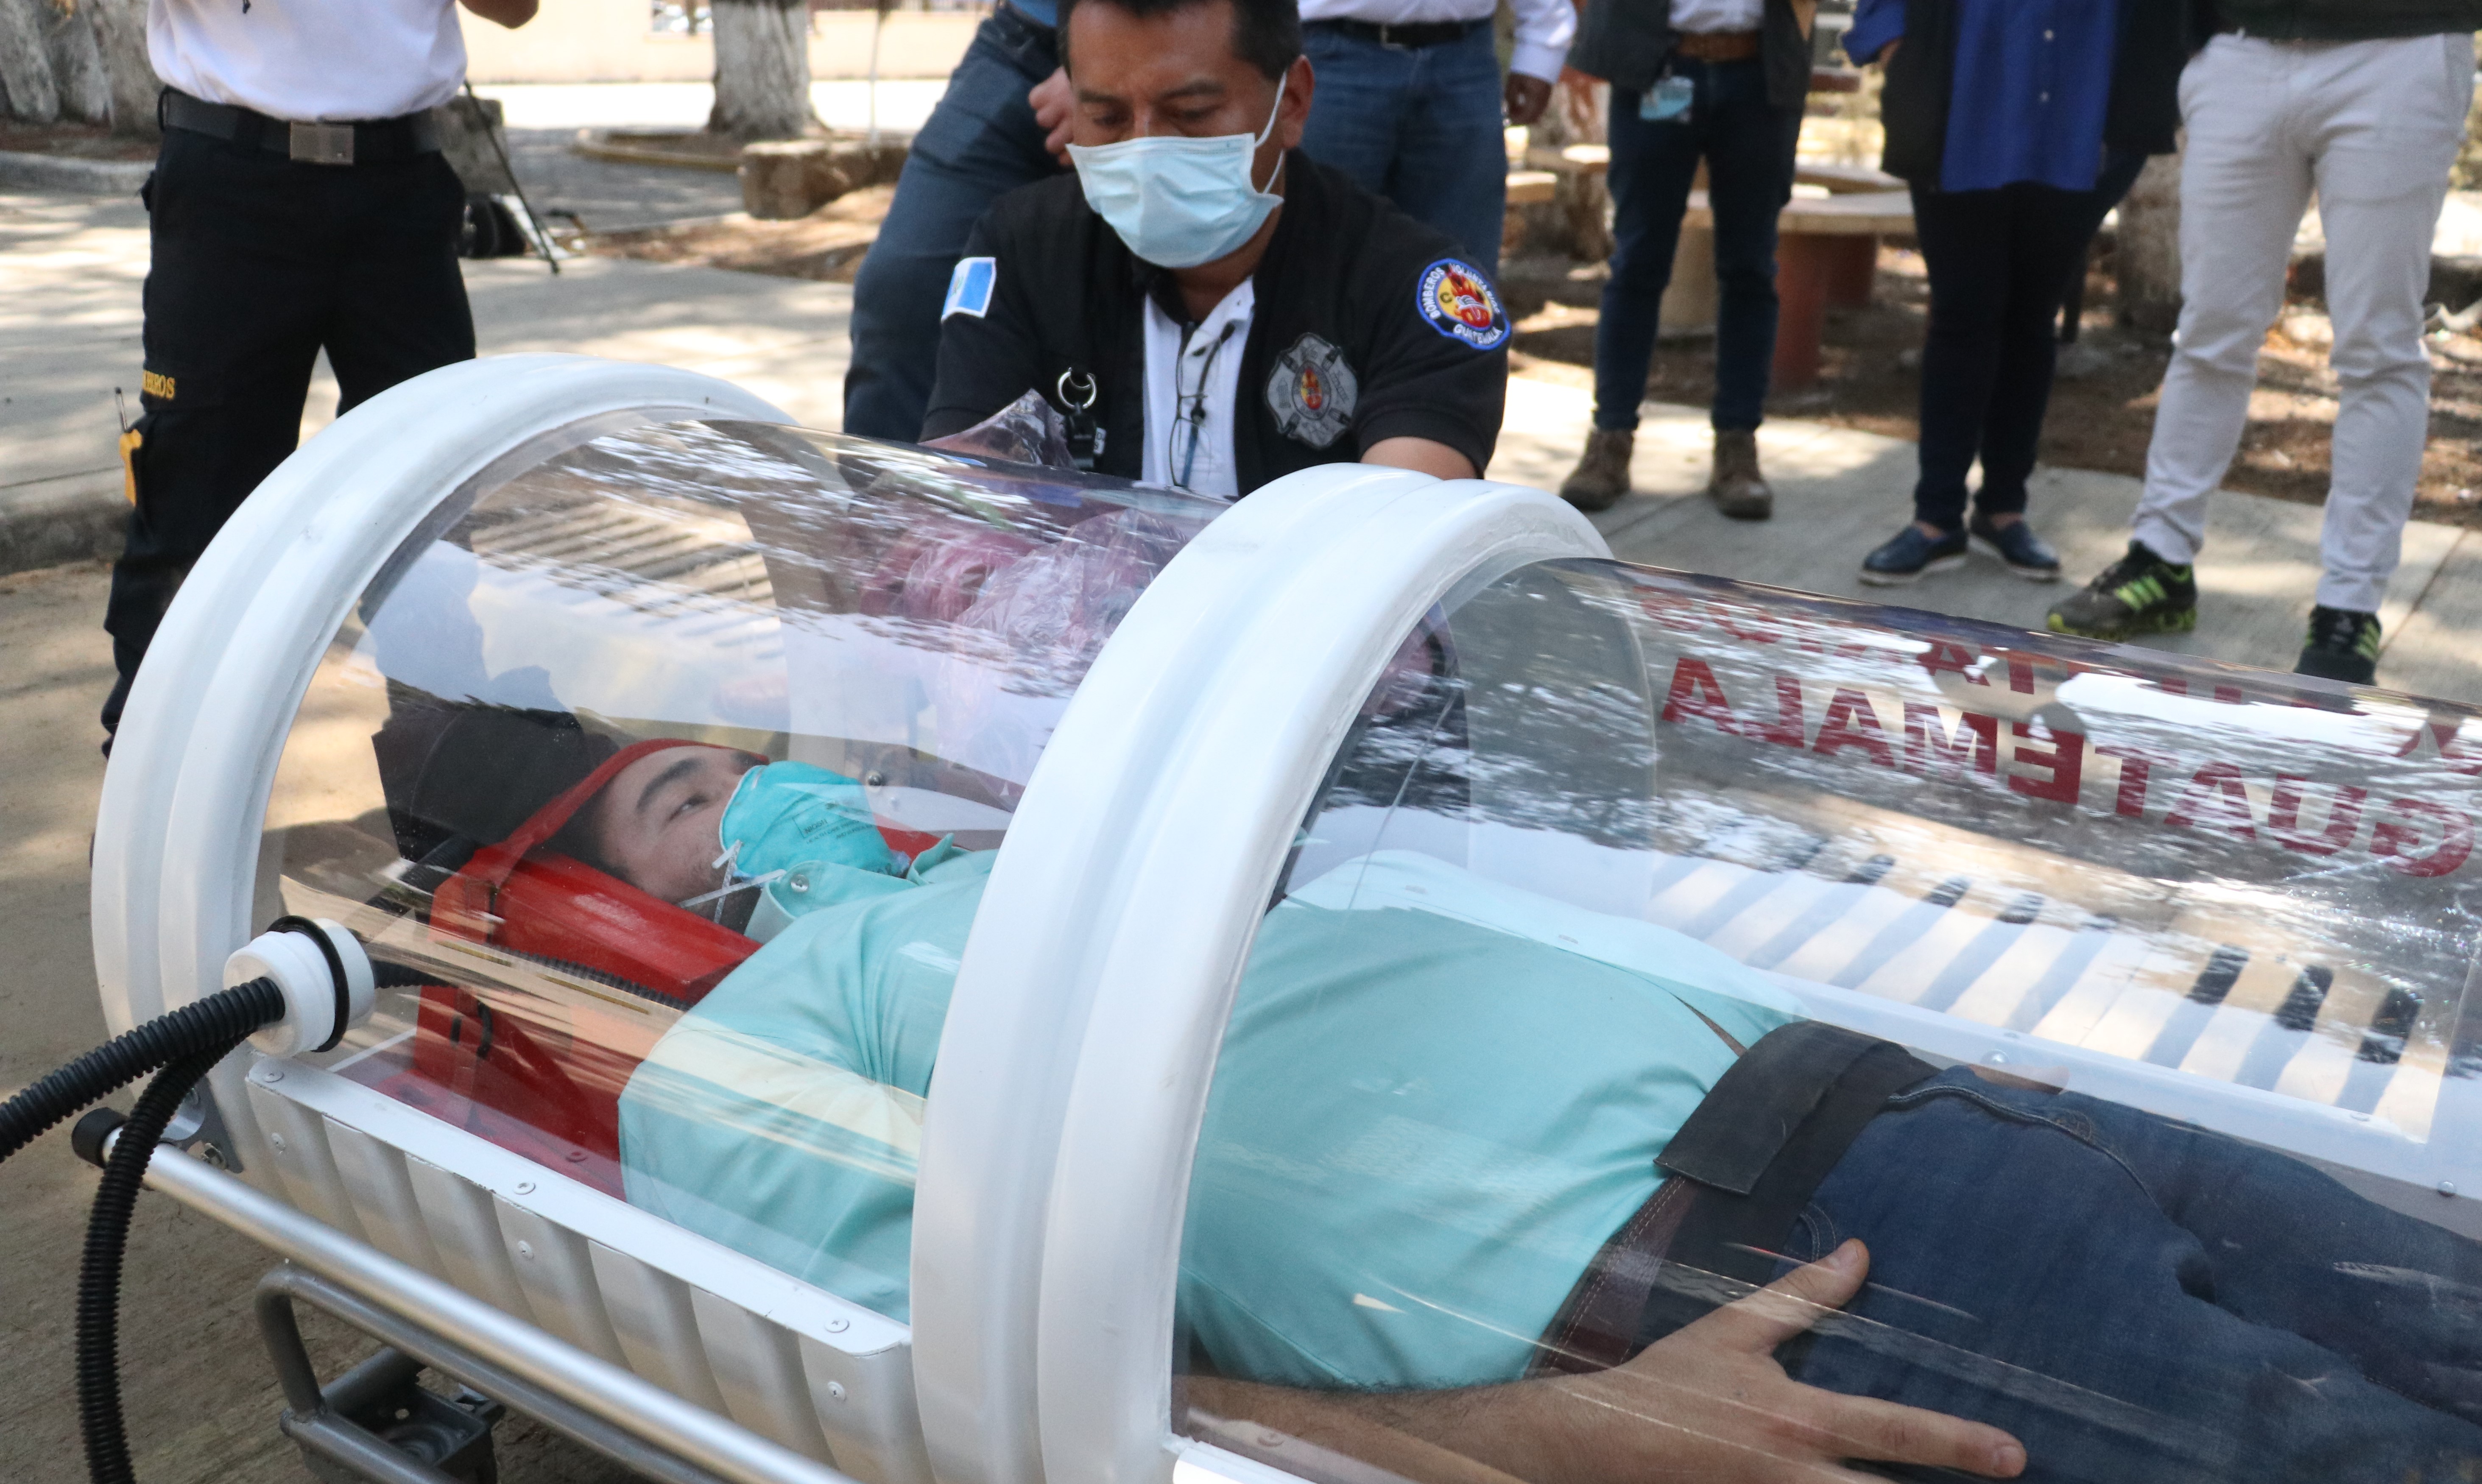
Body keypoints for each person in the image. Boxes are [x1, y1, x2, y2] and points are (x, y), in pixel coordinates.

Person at [545, 739, 2482, 1483]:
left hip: (1928, 1101)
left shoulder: (1055, 852)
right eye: (686, 793)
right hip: (1767, 1287)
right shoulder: (757, 1040)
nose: (767, 777)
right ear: (613, 901)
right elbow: (985, 1398)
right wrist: (1544, 1436)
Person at [49, 0, 543, 753]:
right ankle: (160, 777)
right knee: (200, 502)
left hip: (402, 195)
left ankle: (448, 804)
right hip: (233, 185)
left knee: (432, 512)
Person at [2045, 0, 2482, 684]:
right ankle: (2160, 559)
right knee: (2209, 324)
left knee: (2376, 344)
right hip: (2239, 46)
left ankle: (2347, 608)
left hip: (2401, 46)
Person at [920, 0, 1508, 498]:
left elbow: (1386, 550)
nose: (1146, 150)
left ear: (1294, 103)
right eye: (1107, 117)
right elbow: (967, 515)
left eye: (1190, 113)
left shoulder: (1412, 291)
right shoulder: (1022, 253)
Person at [839, 0, 1341, 446]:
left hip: (1202, 66)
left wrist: (1126, 54)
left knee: (1253, 297)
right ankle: (889, 529)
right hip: (1021, 47)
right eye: (1099, 108)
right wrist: (1099, 28)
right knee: (905, 288)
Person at [1842, 0, 2199, 586]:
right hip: (1963, 103)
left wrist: (2162, 77)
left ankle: (2003, 509)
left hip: (2087, 117)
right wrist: (1895, 53)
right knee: (1963, 307)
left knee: (2032, 310)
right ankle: (1935, 516)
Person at [1554, 0, 1878, 521]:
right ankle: (1609, 438)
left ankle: (1737, 445)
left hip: (1760, 75)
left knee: (1750, 266)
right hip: (1658, 66)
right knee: (1638, 259)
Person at [1289, 0, 1576, 270]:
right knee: (1313, 272)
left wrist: (1542, 43)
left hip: (1463, 68)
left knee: (1458, 288)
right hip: (1330, 65)